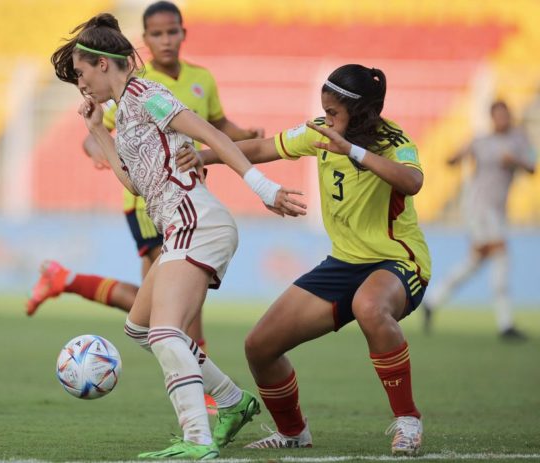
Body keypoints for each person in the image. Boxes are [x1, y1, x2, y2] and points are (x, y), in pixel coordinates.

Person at [51, 13, 306, 459]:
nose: (81, 83)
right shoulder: (124, 109)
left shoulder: (148, 95)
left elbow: (211, 135)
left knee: (166, 332)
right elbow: (135, 184)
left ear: (104, 63)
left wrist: (265, 190)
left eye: (81, 72)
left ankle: (197, 438)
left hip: (197, 222)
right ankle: (231, 401)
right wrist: (96, 131)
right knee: (139, 327)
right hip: (181, 226)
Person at [179, 64, 430, 456]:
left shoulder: (393, 140)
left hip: (397, 262)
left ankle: (408, 420)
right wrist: (204, 156)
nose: (326, 120)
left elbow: (412, 181)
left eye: (333, 113)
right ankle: (293, 432)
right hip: (344, 263)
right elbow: (263, 148)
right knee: (260, 345)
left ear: (361, 112)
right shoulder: (319, 132)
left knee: (369, 306)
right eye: (324, 111)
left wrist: (353, 151)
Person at [27, 1, 262, 356]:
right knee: (178, 292)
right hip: (145, 202)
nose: (166, 40)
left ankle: (67, 279)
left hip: (183, 195)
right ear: (145, 40)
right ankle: (202, 377)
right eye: (157, 33)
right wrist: (98, 149)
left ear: (184, 33)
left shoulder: (202, 79)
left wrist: (245, 133)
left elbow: (217, 125)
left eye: (172, 32)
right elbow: (101, 130)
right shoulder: (132, 85)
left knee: (156, 302)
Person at [422, 101, 535, 340]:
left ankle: (433, 301)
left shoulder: (519, 140)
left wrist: (514, 160)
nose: (502, 120)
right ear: (492, 118)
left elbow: (532, 167)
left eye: (505, 115)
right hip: (478, 207)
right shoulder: (481, 141)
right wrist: (456, 156)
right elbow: (451, 159)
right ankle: (505, 324)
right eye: (498, 116)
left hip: (497, 209)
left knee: (476, 260)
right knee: (501, 254)